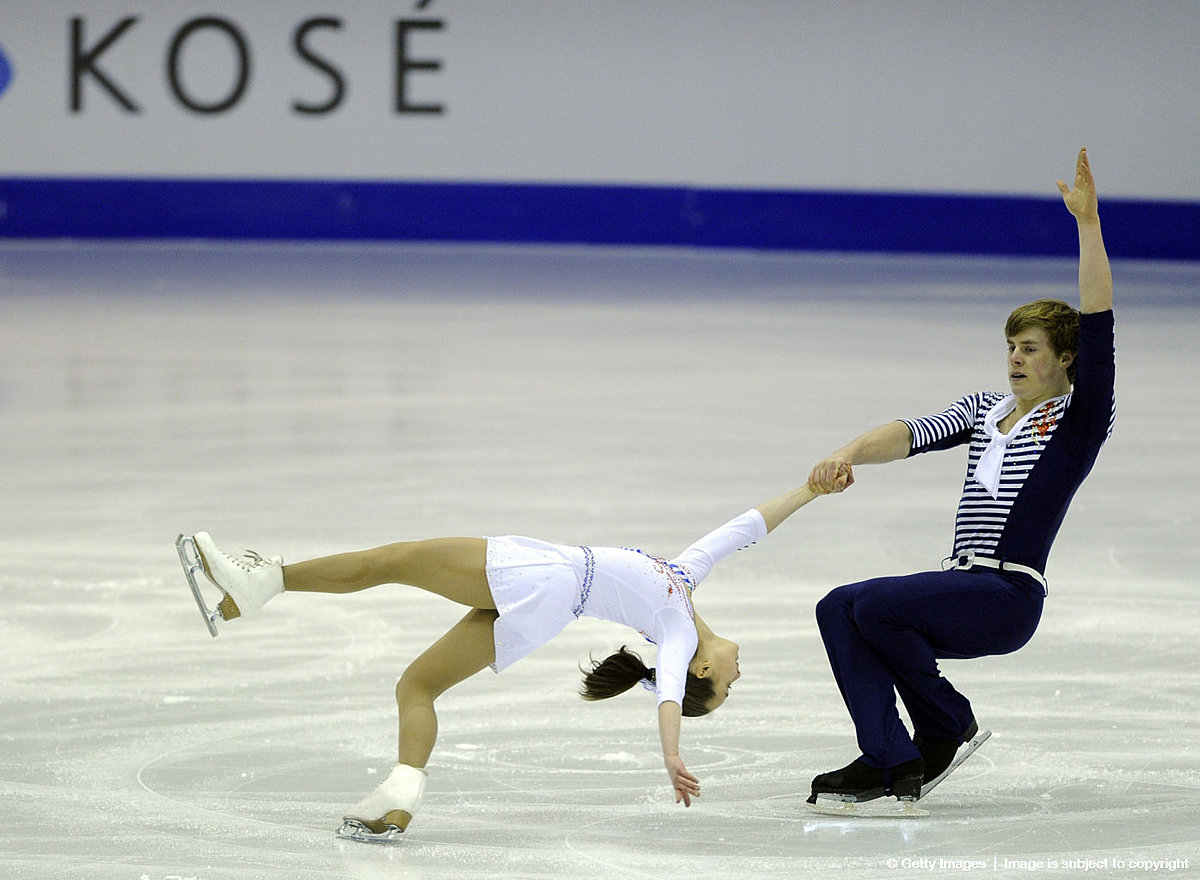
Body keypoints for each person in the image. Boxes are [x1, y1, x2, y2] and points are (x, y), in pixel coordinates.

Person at [176, 471, 848, 840]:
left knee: (390, 562)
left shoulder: (676, 631)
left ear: (704, 669)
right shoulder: (685, 582)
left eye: (728, 687)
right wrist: (811, 489)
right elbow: (748, 526)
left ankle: (264, 581)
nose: (740, 674)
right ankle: (401, 793)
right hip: (546, 603)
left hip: (542, 576)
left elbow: (669, 696)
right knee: (417, 687)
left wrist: (673, 755)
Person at [804, 147, 1115, 809]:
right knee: (839, 605)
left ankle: (946, 722)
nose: (1015, 359)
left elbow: (1098, 323)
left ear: (1064, 360)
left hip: (1006, 595)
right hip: (959, 581)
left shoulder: (1077, 420)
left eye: (1029, 349)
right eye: (1010, 346)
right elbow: (911, 433)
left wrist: (1087, 226)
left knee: (876, 603)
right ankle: (890, 754)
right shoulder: (986, 409)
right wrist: (849, 452)